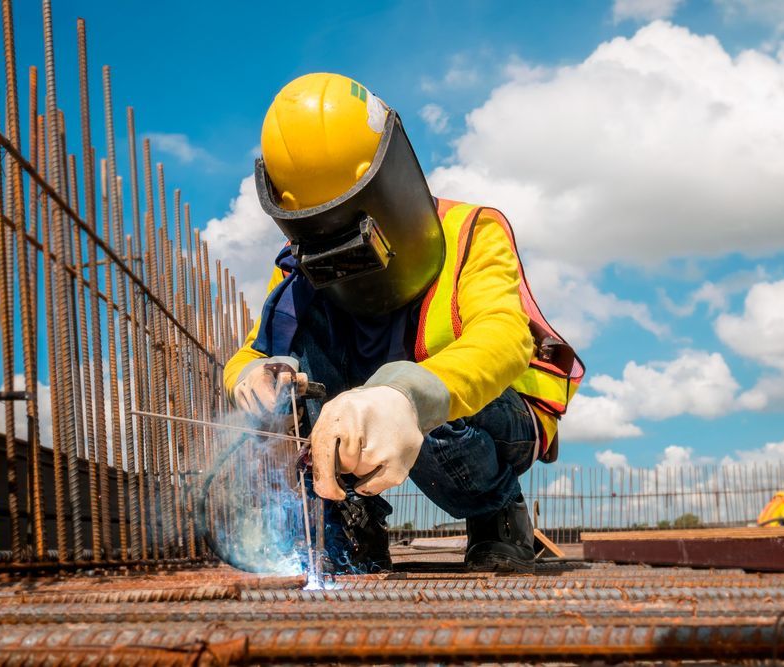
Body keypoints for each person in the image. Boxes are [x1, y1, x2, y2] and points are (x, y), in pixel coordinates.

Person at [224, 73, 583, 574]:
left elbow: (503, 337)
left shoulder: (470, 229)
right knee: (294, 387)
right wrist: (248, 377)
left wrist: (404, 394)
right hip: (376, 413)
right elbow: (257, 352)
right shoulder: (299, 266)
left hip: (487, 417)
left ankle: (498, 513)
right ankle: (354, 519)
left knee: (435, 412)